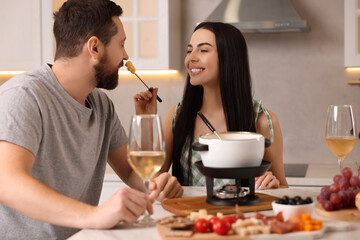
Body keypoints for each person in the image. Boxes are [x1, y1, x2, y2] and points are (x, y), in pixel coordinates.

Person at [0, 0, 183, 239]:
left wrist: (157, 185)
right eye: (122, 44)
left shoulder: (100, 105)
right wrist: (93, 216)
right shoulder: (25, 96)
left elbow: (131, 172)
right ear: (94, 48)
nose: (126, 57)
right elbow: (7, 182)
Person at [134, 22, 288, 189]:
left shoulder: (262, 121)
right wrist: (146, 119)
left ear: (229, 57)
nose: (191, 58)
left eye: (203, 50)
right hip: (188, 215)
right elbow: (151, 181)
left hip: (241, 215)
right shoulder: (177, 116)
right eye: (189, 50)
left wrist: (272, 185)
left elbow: (281, 188)